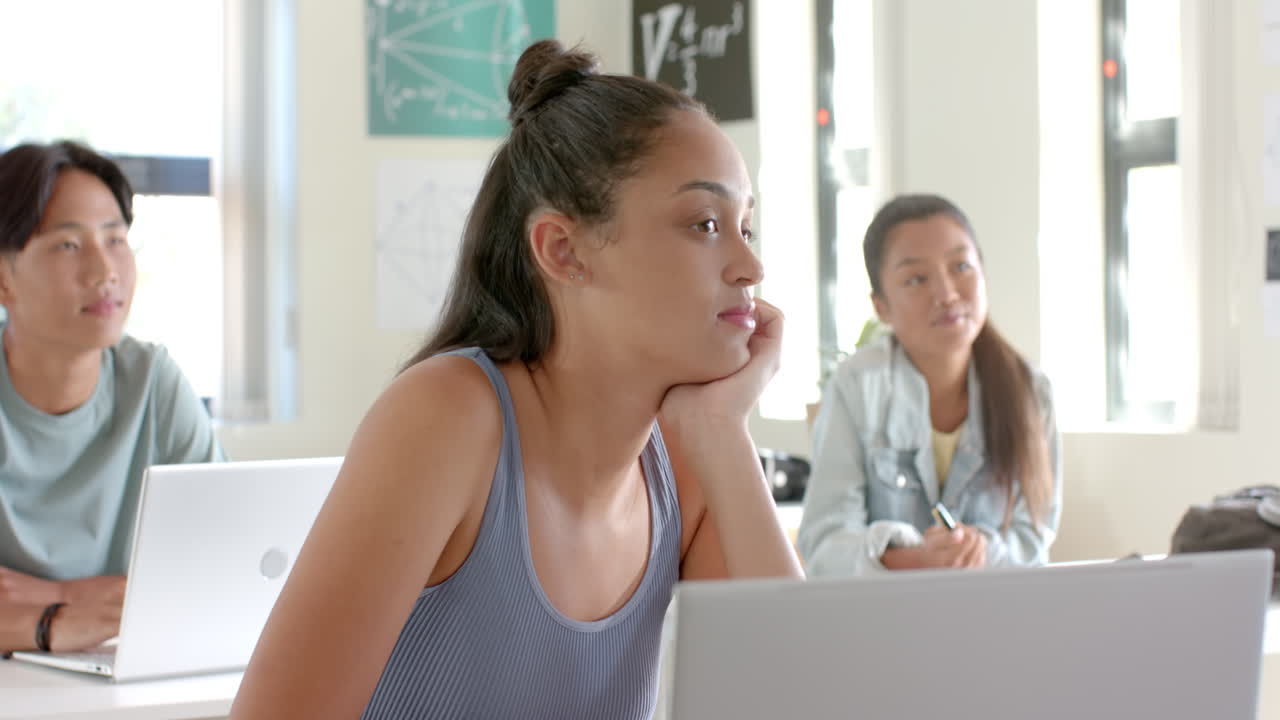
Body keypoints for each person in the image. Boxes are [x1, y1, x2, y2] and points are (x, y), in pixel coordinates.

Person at [229, 40, 802, 720]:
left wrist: (723, 430)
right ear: (563, 250)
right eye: (705, 224)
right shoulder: (448, 418)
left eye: (746, 225)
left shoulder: (689, 461)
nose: (750, 266)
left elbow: (805, 698)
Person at [0, 141, 224, 654]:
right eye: (68, 245)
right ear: (3, 278)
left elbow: (226, 569)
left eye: (116, 239)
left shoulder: (153, 382)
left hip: (122, 676)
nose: (105, 272)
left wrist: (55, 596)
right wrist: (53, 625)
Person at [798, 194, 1061, 577]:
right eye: (916, 279)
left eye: (961, 266)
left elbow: (1033, 542)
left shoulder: (1031, 391)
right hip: (884, 623)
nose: (947, 293)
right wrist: (915, 559)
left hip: (995, 619)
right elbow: (825, 543)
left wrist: (980, 551)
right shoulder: (857, 385)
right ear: (881, 306)